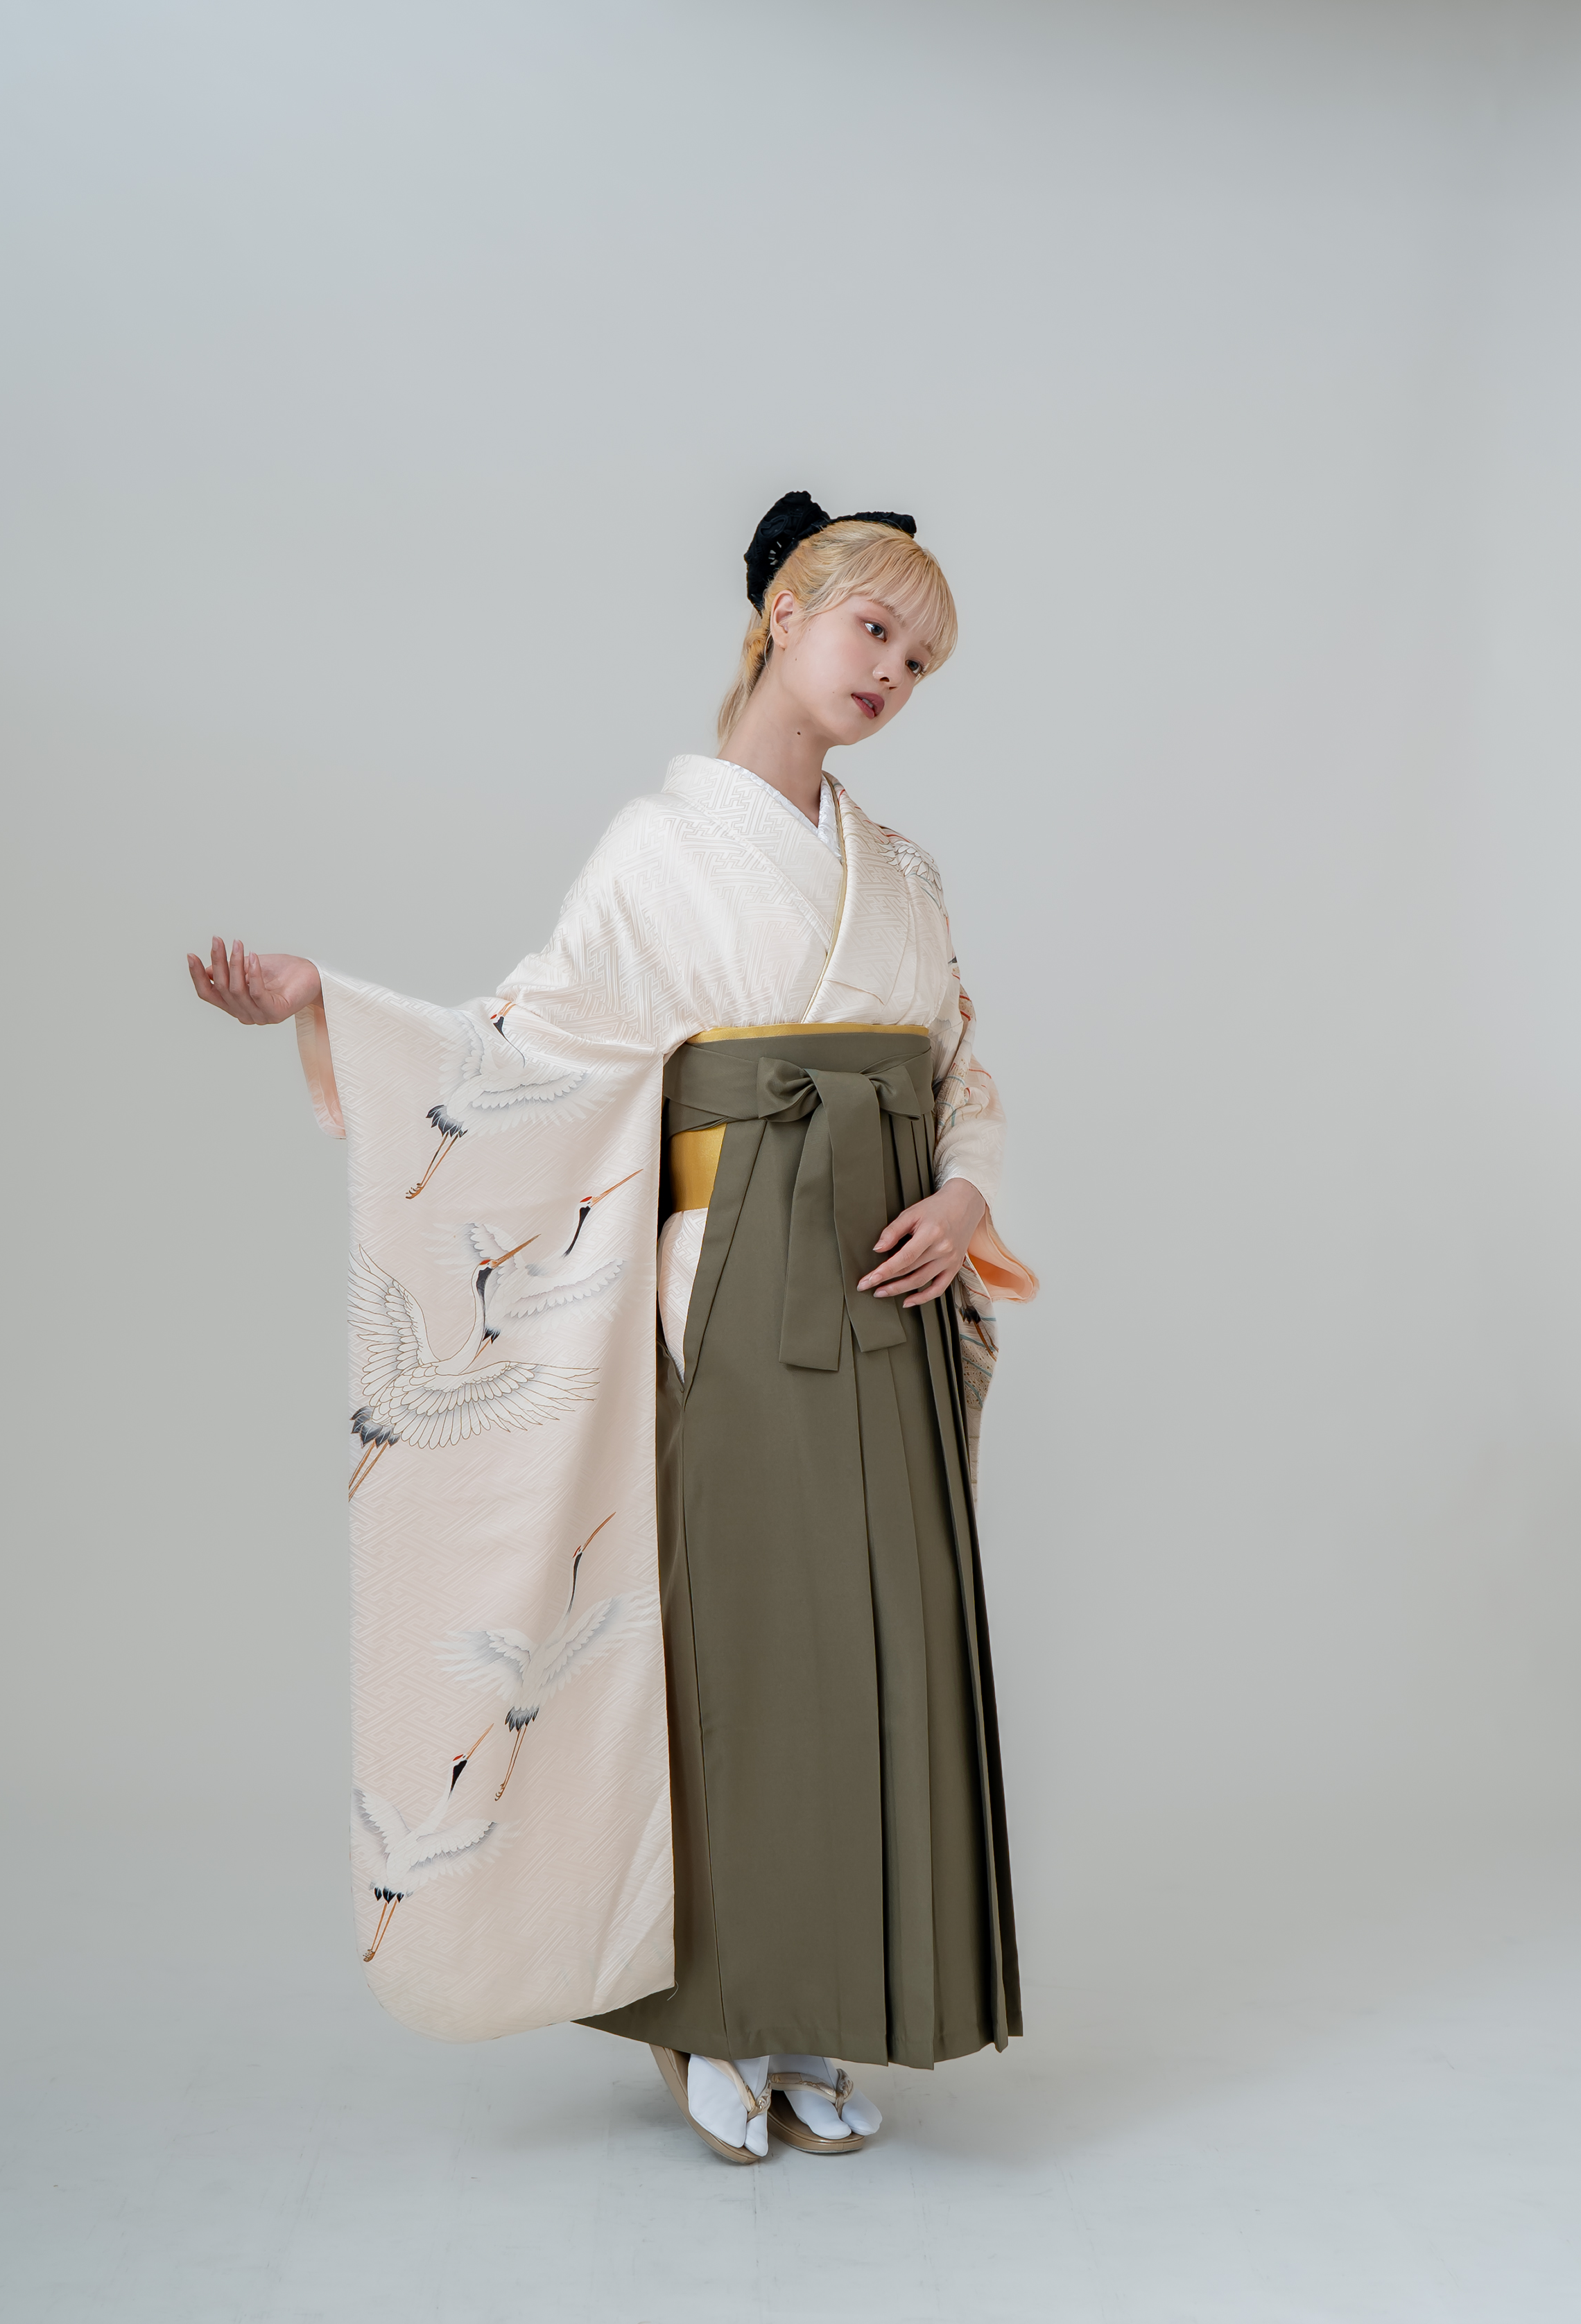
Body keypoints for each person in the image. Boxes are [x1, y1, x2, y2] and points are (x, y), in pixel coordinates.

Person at [188, 491, 1035, 2163]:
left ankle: (824, 1999)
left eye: (921, 659)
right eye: (873, 628)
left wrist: (965, 1195)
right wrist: (328, 1005)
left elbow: (959, 1070)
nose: (892, 671)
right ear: (784, 615)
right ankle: (709, 2010)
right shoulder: (663, 851)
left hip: (890, 1280)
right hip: (736, 1282)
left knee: (868, 1648)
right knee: (732, 1650)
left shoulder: (901, 875)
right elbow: (531, 1051)